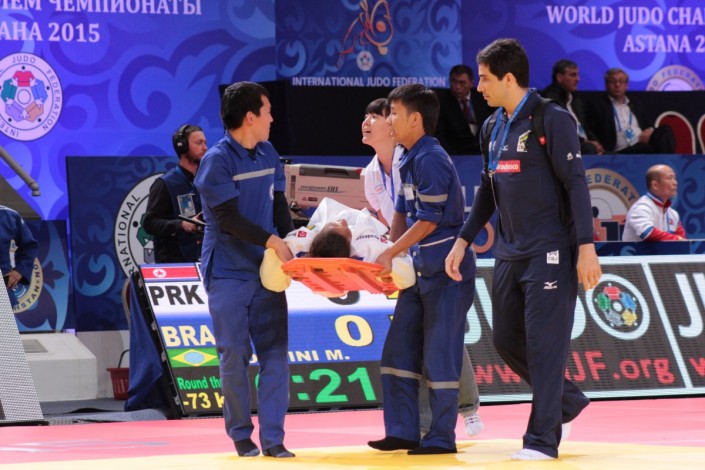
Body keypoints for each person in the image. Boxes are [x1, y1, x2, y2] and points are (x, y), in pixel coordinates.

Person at [445, 38, 602, 461]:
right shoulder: (493, 127)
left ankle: (542, 441)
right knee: (506, 340)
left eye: (484, 79)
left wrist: (586, 247)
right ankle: (565, 402)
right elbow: (488, 189)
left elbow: (576, 183)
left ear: (509, 78)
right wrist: (463, 238)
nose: (478, 86)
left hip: (551, 250)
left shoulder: (552, 118)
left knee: (546, 347)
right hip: (510, 252)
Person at [361, 97, 484, 438]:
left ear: (414, 119)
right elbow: (399, 214)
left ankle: (446, 431)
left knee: (440, 351)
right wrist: (388, 255)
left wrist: (392, 252)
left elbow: (429, 220)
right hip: (415, 265)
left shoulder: (430, 158)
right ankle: (403, 431)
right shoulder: (401, 160)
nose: (387, 120)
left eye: (392, 114)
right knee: (399, 351)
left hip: (445, 266)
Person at [194, 81, 295, 458]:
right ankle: (240, 434)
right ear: (250, 117)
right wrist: (273, 241)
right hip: (227, 272)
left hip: (267, 273)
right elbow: (229, 219)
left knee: (275, 356)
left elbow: (279, 206)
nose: (272, 119)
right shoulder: (217, 161)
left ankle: (274, 439)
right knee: (234, 356)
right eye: (267, 112)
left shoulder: (269, 152)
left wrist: (293, 242)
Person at [260, 197, 415, 293]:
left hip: (344, 277)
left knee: (274, 258)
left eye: (338, 224)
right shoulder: (367, 245)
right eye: (341, 226)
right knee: (275, 258)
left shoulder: (303, 240)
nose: (343, 221)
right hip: (326, 279)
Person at [143, 124, 207, 263]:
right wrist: (181, 225)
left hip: (205, 260)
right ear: (182, 147)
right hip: (175, 263)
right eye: (199, 143)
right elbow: (149, 223)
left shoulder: (206, 181)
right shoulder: (165, 183)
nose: (205, 148)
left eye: (205, 142)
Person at [585, 68, 675, 154]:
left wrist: (650, 130)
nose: (617, 85)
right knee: (648, 149)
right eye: (613, 81)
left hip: (641, 142)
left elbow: (647, 124)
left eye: (621, 81)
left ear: (626, 85)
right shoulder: (598, 105)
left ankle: (669, 162)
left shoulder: (635, 103)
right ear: (606, 84)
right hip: (619, 149)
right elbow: (590, 130)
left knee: (665, 130)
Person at [541, 59, 604, 155]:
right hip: (566, 148)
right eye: (573, 75)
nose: (578, 79)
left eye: (577, 75)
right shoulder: (549, 99)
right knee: (589, 148)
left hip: (583, 144)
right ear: (559, 77)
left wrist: (596, 142)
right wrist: (585, 142)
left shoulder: (575, 99)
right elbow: (560, 131)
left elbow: (586, 127)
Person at [361, 98, 403, 228]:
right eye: (366, 117)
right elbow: (385, 224)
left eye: (374, 117)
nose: (365, 122)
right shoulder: (370, 172)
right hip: (400, 238)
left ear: (392, 125)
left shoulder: (412, 161)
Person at [435, 64, 494, 155]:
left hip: (483, 152)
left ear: (471, 83)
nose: (457, 87)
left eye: (462, 83)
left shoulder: (483, 97)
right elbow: (439, 135)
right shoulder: (442, 101)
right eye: (454, 82)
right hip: (456, 154)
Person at [622, 164, 685, 241]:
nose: (675, 183)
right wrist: (676, 239)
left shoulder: (673, 214)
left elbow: (683, 242)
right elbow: (648, 233)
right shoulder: (641, 208)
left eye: (675, 178)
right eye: (670, 178)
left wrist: (679, 240)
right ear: (655, 185)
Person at [0, 205, 38, 309]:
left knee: (3, 321)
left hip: (2, 293)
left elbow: (29, 246)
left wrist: (20, 270)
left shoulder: (8, 215)